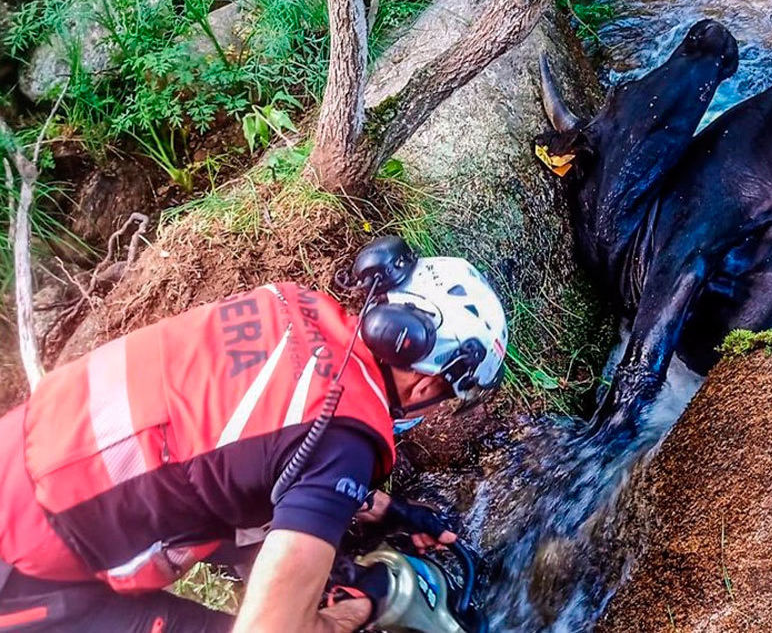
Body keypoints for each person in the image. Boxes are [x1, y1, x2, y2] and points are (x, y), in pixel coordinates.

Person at [0, 237, 508, 632]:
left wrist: (393, 511)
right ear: (428, 382)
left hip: (22, 452)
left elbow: (258, 449)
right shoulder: (347, 436)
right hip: (26, 577)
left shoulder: (288, 304)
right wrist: (376, 598)